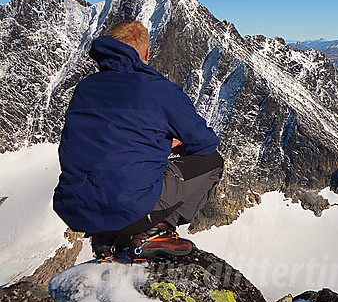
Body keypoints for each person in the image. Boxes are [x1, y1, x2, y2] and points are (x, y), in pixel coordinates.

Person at [53, 21, 223, 262]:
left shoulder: (84, 88)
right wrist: (172, 144)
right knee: (212, 162)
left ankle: (105, 238)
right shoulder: (158, 90)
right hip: (130, 204)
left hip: (78, 207)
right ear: (146, 52)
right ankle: (155, 231)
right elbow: (205, 143)